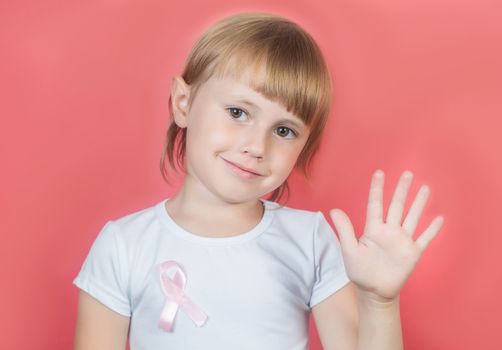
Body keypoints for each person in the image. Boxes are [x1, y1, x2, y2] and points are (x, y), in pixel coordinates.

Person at [73, 12, 444, 350]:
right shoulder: (123, 246)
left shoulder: (311, 240)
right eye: (238, 112)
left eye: (283, 130)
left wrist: (380, 302)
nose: (256, 146)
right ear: (183, 103)